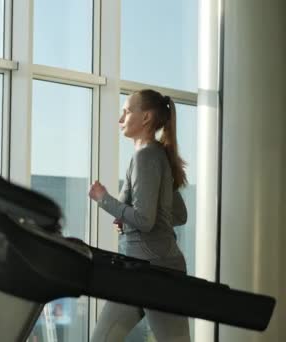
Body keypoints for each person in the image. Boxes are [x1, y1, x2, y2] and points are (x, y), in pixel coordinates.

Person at [88, 89, 190, 342]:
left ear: (145, 118)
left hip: (156, 272)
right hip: (138, 269)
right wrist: (127, 220)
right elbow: (176, 214)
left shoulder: (146, 157)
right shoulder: (155, 156)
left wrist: (104, 199)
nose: (120, 118)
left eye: (127, 111)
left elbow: (146, 220)